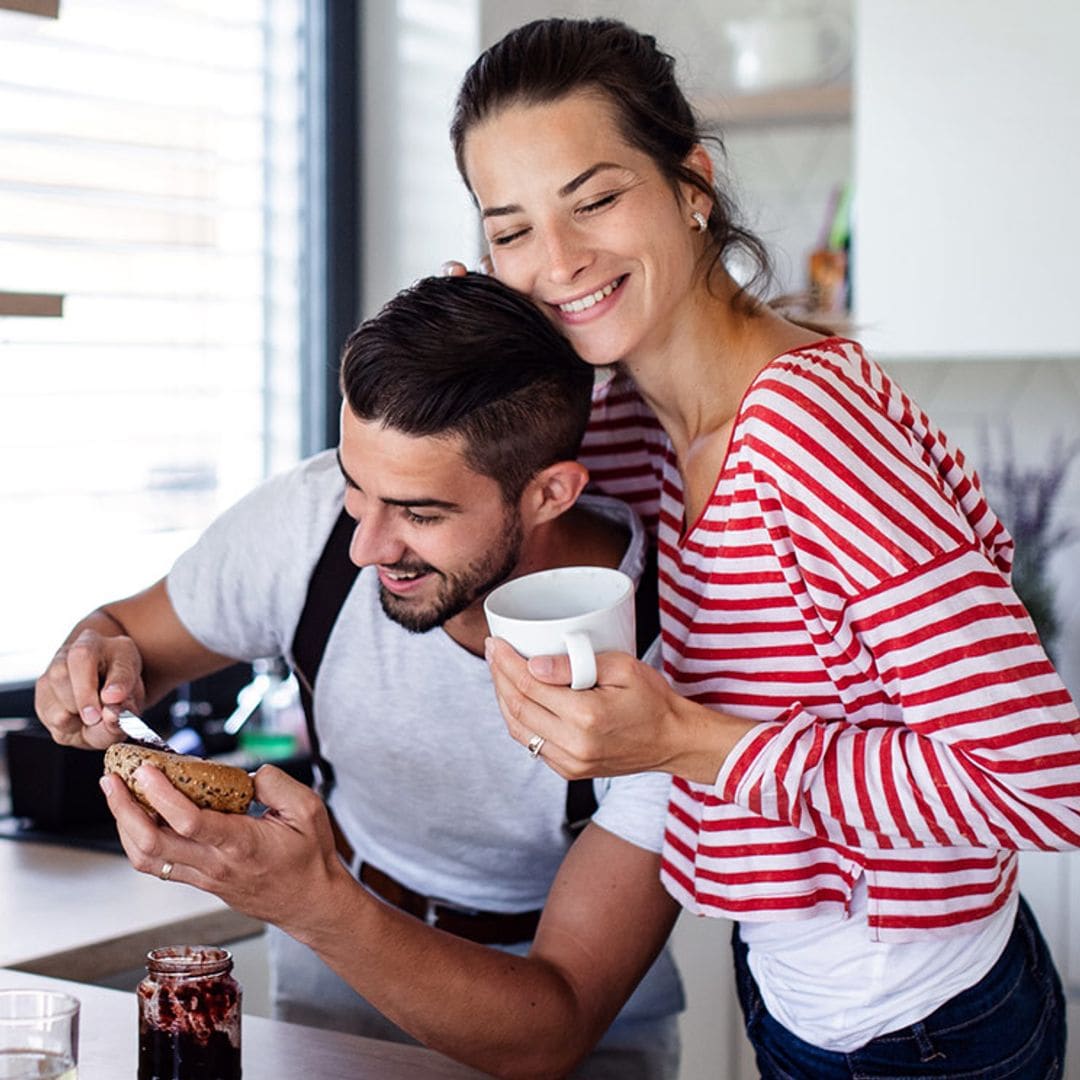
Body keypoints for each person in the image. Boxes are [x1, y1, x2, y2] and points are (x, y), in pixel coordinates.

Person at [451, 17, 1080, 1079]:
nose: (557, 264)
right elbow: (475, 496)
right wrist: (462, 346)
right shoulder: (635, 413)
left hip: (921, 1025)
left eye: (596, 199)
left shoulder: (807, 437)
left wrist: (686, 742)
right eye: (511, 231)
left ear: (691, 183)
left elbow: (1040, 780)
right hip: (792, 978)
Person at [34, 272, 685, 1080]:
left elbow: (552, 1028)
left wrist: (310, 902)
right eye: (355, 488)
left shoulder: (674, 655)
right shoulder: (309, 524)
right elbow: (124, 631)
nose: (365, 547)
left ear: (550, 492)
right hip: (332, 985)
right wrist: (88, 668)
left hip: (555, 1021)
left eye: (419, 513)